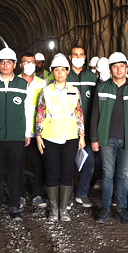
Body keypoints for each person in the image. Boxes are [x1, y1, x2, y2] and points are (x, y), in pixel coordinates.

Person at [91, 52, 128, 226]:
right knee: (107, 175)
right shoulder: (101, 88)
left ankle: (122, 209)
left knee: (123, 175)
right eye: (115, 67)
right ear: (110, 69)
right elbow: (94, 114)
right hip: (107, 138)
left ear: (126, 68)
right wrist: (94, 137)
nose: (118, 69)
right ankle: (106, 208)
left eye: (121, 66)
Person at [0, 47, 33, 220]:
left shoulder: (22, 85)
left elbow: (27, 111)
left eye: (9, 62)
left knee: (15, 172)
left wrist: (26, 132)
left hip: (16, 136)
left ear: (15, 65)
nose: (5, 65)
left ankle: (13, 206)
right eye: (2, 62)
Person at [35, 54, 85, 221]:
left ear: (67, 71)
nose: (60, 73)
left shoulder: (74, 91)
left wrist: (82, 135)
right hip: (50, 137)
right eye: (56, 70)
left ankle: (63, 210)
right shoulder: (46, 91)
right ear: (53, 72)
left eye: (63, 70)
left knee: (66, 173)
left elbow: (79, 113)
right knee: (52, 173)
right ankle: (53, 209)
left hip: (70, 137)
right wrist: (38, 135)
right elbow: (40, 113)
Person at [68, 46, 99, 209]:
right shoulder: (65, 75)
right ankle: (69, 194)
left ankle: (82, 193)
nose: (78, 57)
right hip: (68, 128)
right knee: (68, 163)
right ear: (70, 57)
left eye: (81, 55)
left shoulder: (91, 76)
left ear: (85, 57)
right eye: (75, 55)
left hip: (87, 129)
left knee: (90, 162)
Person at [19, 52, 48, 209]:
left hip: (38, 133)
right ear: (20, 64)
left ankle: (37, 194)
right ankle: (20, 195)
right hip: (19, 132)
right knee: (18, 164)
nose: (29, 64)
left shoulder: (42, 84)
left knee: (39, 164)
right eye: (26, 62)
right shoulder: (14, 81)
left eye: (32, 62)